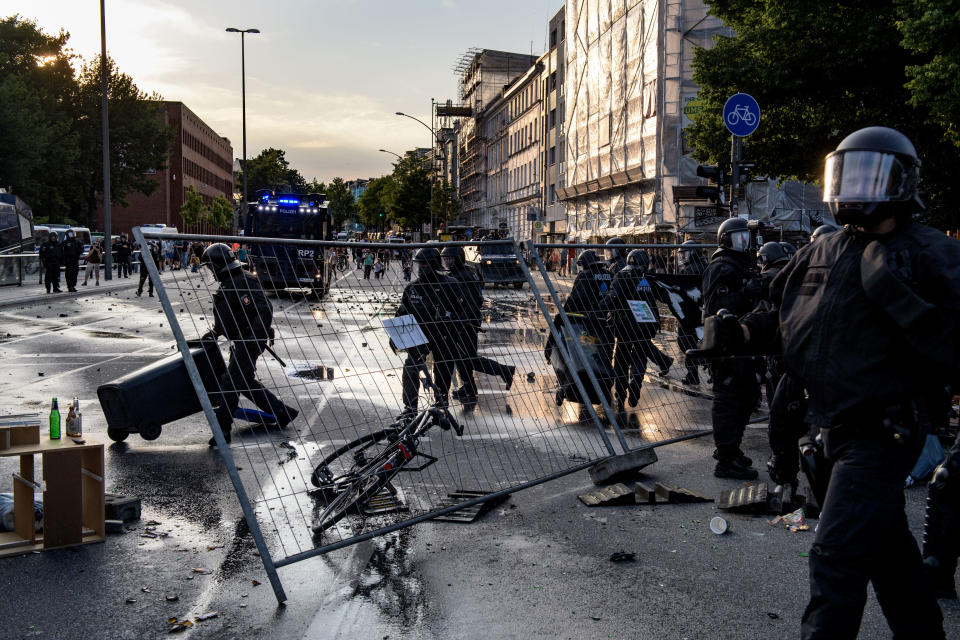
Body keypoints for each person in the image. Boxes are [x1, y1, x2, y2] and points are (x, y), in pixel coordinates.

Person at [729, 127, 955, 638]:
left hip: (884, 429)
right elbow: (786, 315)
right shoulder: (824, 249)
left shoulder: (929, 252)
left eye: (869, 177)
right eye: (846, 176)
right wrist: (740, 330)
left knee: (836, 557)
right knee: (888, 553)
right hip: (829, 428)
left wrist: (899, 299)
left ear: (901, 183)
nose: (855, 189)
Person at [200, 243, 298, 445]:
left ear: (219, 264)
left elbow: (264, 310)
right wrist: (216, 332)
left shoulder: (244, 280)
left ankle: (222, 432)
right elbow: (232, 314)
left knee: (230, 383)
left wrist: (253, 338)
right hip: (243, 340)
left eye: (211, 266)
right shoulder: (230, 282)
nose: (210, 271)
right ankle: (282, 412)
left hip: (249, 340)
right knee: (242, 381)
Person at [702, 216, 762, 479]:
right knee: (728, 400)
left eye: (746, 237)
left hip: (742, 341)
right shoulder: (722, 266)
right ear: (726, 240)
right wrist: (747, 292)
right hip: (726, 343)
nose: (745, 242)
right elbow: (718, 306)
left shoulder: (740, 264)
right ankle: (725, 459)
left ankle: (731, 449)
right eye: (740, 237)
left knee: (747, 397)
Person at [441, 245, 515, 408]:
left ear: (458, 259)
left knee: (467, 357)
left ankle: (504, 370)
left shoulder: (463, 276)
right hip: (463, 321)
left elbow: (472, 301)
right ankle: (469, 386)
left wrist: (462, 321)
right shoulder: (461, 273)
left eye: (450, 260)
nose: (447, 263)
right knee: (461, 357)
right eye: (445, 259)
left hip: (466, 323)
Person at [396, 247, 462, 415]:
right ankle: (410, 407)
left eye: (425, 265)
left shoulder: (451, 285)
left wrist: (452, 325)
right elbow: (402, 313)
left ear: (433, 265)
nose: (421, 269)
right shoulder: (412, 289)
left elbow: (462, 311)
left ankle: (441, 403)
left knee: (443, 371)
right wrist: (395, 335)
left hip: (443, 336)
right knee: (410, 368)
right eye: (419, 265)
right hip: (419, 337)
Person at [604, 249, 662, 412]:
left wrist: (601, 307)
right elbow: (655, 300)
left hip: (625, 325)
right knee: (640, 357)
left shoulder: (622, 275)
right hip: (645, 325)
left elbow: (614, 296)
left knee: (621, 360)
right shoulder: (648, 278)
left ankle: (620, 394)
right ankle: (636, 382)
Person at [677, 239, 706, 385]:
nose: (682, 257)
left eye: (684, 254)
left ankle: (693, 373)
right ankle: (707, 366)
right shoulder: (705, 267)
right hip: (703, 311)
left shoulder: (689, 270)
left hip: (689, 313)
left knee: (685, 342)